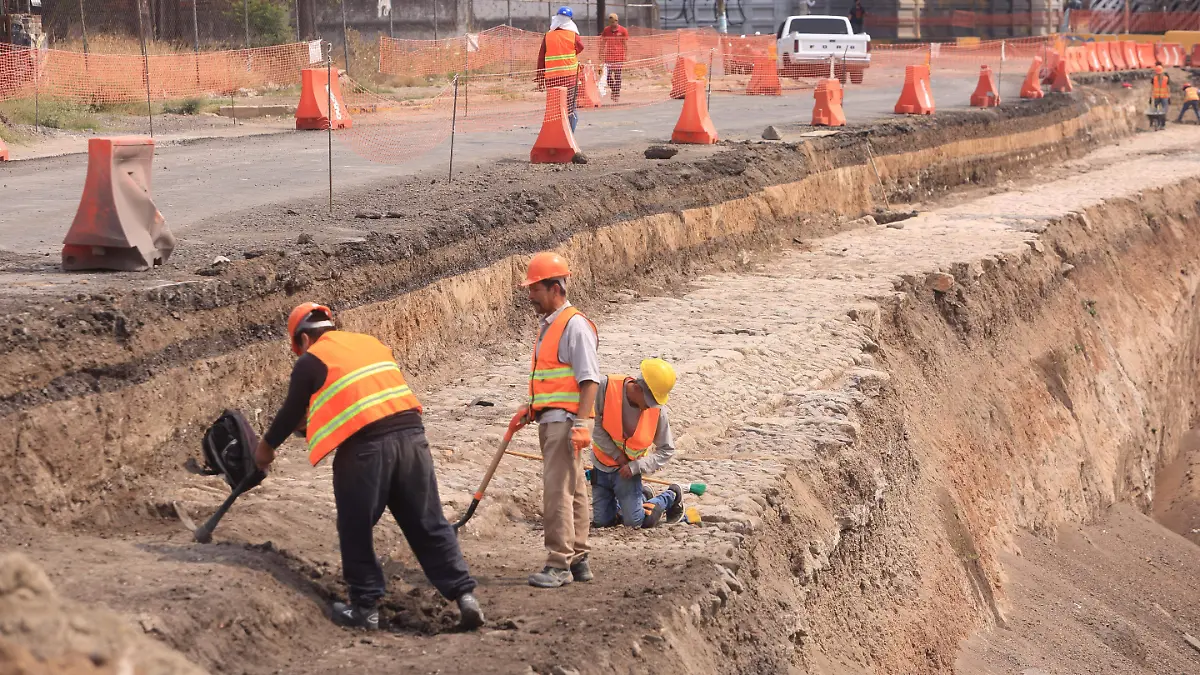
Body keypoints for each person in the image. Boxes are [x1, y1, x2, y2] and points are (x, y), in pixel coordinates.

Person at [253, 303, 484, 631]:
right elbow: (360, 395)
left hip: (366, 450)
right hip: (412, 439)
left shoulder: (311, 361)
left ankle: (365, 607)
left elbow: (292, 412)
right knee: (428, 522)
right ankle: (465, 597)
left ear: (304, 338)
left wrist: (265, 449)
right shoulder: (369, 344)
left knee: (355, 526)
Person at [515, 252, 600, 589]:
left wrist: (580, 424)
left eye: (535, 289)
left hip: (566, 422)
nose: (530, 296)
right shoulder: (552, 325)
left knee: (556, 492)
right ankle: (578, 559)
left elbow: (589, 379)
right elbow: (557, 379)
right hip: (555, 417)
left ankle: (558, 564)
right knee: (574, 489)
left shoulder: (573, 325)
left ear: (554, 288)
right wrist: (534, 406)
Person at [590, 359, 685, 529]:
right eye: (650, 400)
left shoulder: (657, 410)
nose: (651, 406)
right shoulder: (605, 387)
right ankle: (641, 496)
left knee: (635, 522)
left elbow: (666, 450)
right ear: (639, 388)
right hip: (601, 466)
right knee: (602, 523)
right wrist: (618, 456)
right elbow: (596, 428)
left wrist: (636, 466)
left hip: (629, 473)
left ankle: (671, 495)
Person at [537, 6, 585, 132]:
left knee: (555, 110)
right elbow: (580, 47)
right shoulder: (573, 35)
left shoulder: (548, 36)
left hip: (552, 80)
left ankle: (556, 138)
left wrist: (539, 78)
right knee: (570, 109)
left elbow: (541, 57)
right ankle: (569, 138)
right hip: (570, 78)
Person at [600, 13, 629, 103]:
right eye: (611, 22)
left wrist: (627, 55)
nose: (612, 24)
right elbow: (603, 42)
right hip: (608, 57)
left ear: (617, 21)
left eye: (614, 22)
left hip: (619, 57)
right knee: (608, 76)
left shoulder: (623, 30)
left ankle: (616, 93)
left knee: (617, 76)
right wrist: (600, 53)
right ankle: (614, 90)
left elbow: (625, 44)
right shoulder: (606, 30)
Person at [1151, 63, 1170, 130]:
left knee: (1156, 111)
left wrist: (1150, 97)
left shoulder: (1154, 78)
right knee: (1163, 111)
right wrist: (1169, 96)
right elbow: (1168, 88)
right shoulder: (1166, 78)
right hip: (1164, 96)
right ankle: (1162, 125)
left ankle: (1157, 124)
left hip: (1156, 97)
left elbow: (1152, 88)